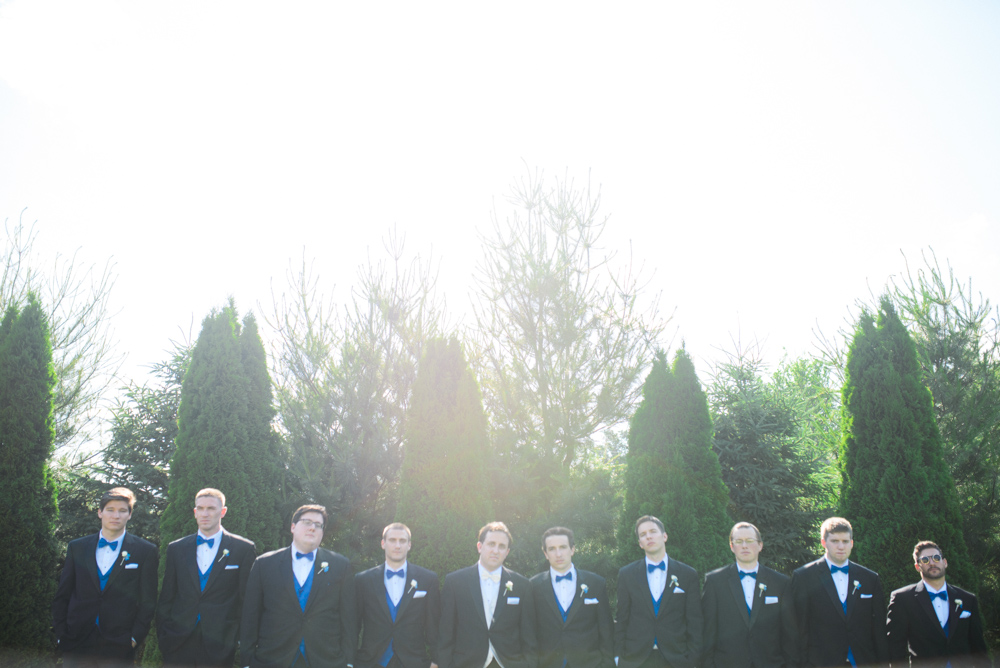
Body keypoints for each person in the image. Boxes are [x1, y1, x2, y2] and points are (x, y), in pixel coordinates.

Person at [52, 487, 159, 668]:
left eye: (122, 511)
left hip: (119, 645)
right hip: (77, 641)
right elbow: (63, 594)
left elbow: (148, 601)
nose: (116, 516)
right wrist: (61, 634)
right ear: (100, 513)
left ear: (129, 515)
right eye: (110, 510)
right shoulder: (77, 547)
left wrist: (134, 638)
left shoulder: (145, 551)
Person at [240, 504, 356, 668]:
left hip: (325, 660)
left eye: (318, 525)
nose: (312, 528)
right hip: (272, 659)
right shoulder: (264, 564)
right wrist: (246, 662)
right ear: (293, 527)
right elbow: (250, 617)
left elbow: (349, 619)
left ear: (322, 532)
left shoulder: (340, 566)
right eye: (307, 522)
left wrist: (349, 662)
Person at [156, 488, 257, 668]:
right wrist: (165, 635)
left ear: (223, 512)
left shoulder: (243, 549)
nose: (205, 513)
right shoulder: (176, 549)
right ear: (195, 512)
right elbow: (167, 597)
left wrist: (237, 638)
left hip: (220, 642)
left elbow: (246, 599)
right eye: (200, 508)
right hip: (178, 640)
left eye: (211, 508)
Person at [790, 517, 888, 668]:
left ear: (852, 543)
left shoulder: (870, 578)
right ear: (824, 542)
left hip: (863, 661)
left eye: (845, 541)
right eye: (835, 541)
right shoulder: (804, 577)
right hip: (820, 662)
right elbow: (799, 627)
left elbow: (879, 628)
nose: (841, 546)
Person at [438, 521, 536, 668]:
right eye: (491, 544)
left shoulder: (522, 585)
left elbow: (529, 636)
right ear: (480, 546)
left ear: (507, 552)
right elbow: (445, 632)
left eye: (501, 546)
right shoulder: (455, 582)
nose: (496, 551)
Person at [701, 522, 796, 668]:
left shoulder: (780, 583)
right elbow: (708, 632)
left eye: (750, 541)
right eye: (739, 542)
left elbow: (789, 633)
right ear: (732, 547)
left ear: (760, 545)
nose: (744, 545)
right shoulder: (715, 582)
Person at [615, 515, 702, 668]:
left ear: (664, 536)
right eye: (643, 535)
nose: (648, 536)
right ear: (640, 544)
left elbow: (695, 622)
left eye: (653, 531)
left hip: (676, 659)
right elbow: (622, 618)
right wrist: (619, 657)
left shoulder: (687, 574)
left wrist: (693, 659)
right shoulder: (626, 574)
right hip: (635, 659)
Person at [886, 540, 989, 668]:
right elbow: (896, 649)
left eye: (936, 558)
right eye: (925, 560)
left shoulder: (968, 599)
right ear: (917, 567)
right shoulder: (903, 599)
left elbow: (978, 647)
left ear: (944, 563)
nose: (932, 563)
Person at [355, 523, 441, 668]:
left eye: (402, 541)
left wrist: (437, 661)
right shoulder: (363, 580)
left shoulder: (428, 579)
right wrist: (350, 662)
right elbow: (353, 624)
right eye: (392, 540)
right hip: (371, 662)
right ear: (383, 543)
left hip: (414, 662)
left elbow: (434, 625)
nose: (397, 545)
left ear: (409, 545)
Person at [529, 527, 614, 668]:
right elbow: (530, 634)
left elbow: (606, 631)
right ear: (545, 553)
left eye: (563, 547)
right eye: (552, 549)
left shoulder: (596, 583)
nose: (558, 554)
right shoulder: (533, 586)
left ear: (572, 549)